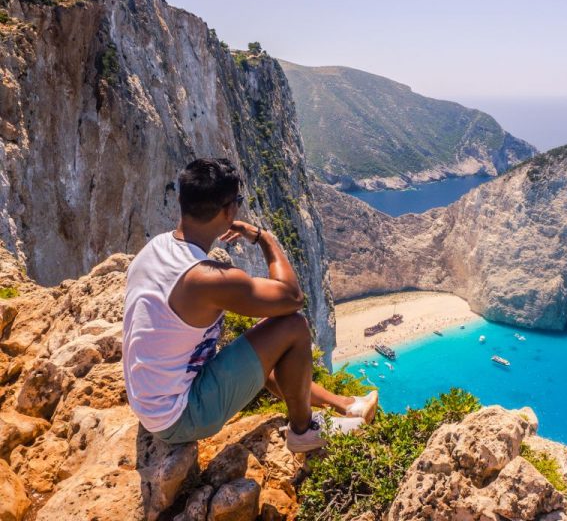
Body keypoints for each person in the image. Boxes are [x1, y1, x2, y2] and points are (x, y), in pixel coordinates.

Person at [122, 158, 377, 452]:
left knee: (265, 343)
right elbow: (291, 297)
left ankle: (345, 405)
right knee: (291, 327)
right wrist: (265, 239)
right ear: (230, 210)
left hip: (150, 400)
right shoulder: (206, 278)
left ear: (181, 199)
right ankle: (303, 432)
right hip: (180, 417)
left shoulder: (156, 248)